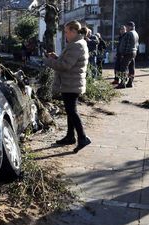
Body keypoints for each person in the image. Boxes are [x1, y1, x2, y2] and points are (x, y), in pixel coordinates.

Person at [43, 20, 91, 153]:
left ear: (74, 31)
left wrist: (48, 61)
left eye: (66, 31)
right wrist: (56, 57)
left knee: (72, 111)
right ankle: (70, 137)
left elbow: (65, 66)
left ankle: (82, 137)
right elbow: (68, 62)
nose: (65, 34)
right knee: (70, 111)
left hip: (71, 83)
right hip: (71, 82)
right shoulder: (77, 44)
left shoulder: (76, 45)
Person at [117, 21, 139, 89]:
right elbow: (137, 44)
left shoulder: (129, 33)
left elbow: (127, 45)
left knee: (123, 68)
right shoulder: (136, 33)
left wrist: (123, 53)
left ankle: (122, 83)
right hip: (133, 52)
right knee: (131, 68)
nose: (126, 28)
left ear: (130, 27)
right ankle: (130, 82)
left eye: (127, 26)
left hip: (128, 53)